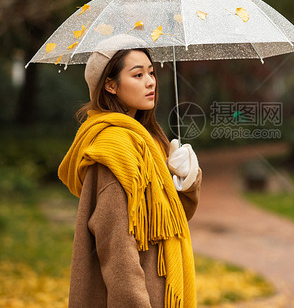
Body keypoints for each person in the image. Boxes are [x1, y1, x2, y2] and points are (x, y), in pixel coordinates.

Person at [58, 35, 202, 308]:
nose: (150, 82)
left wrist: (187, 182)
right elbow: (118, 252)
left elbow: (173, 224)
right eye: (137, 75)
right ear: (110, 85)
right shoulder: (115, 149)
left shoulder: (148, 142)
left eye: (151, 72)